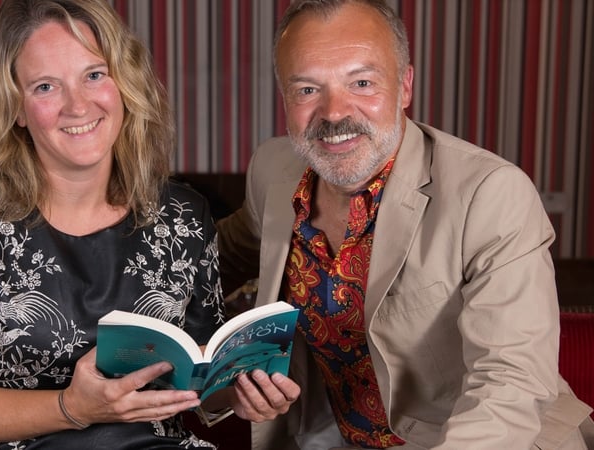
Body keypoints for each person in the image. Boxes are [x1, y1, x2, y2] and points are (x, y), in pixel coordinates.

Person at [0, 0, 298, 448]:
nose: (77, 105)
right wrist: (72, 408)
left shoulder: (184, 215)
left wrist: (242, 394)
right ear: (17, 109)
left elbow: (200, 377)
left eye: (94, 75)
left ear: (124, 84)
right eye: (46, 86)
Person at [217, 0, 594, 449]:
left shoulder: (491, 193)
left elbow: (509, 383)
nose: (335, 113)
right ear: (285, 98)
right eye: (307, 90)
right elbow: (209, 262)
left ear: (405, 85)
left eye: (361, 82)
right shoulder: (272, 171)